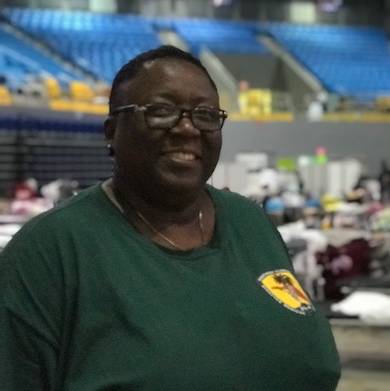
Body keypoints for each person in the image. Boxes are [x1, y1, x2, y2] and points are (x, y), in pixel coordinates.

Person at [0, 45, 341, 390]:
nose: (188, 128)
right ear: (111, 131)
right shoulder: (49, 252)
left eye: (205, 114)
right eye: (161, 111)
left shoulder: (250, 222)